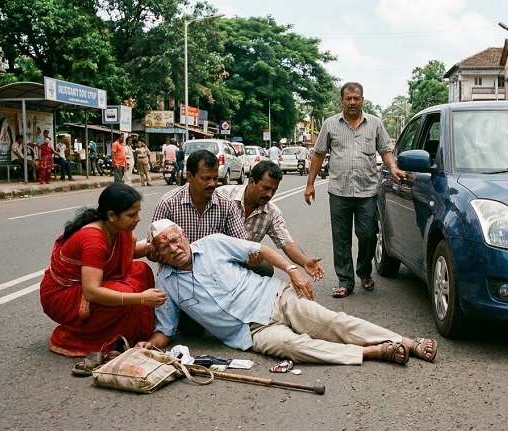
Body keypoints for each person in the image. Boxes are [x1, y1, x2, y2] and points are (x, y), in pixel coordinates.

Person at [138, 219, 438, 366]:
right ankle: (371, 352)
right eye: (165, 246)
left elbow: (261, 249)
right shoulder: (165, 283)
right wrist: (150, 345)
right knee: (295, 347)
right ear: (158, 254)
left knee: (330, 321)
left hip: (275, 299)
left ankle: (406, 342)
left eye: (175, 240)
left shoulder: (213, 243)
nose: (174, 248)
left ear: (184, 235)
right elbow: (166, 328)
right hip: (250, 333)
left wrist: (293, 270)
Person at [39, 183, 167, 357]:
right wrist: (141, 298)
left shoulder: (115, 228)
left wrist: (154, 247)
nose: (138, 218)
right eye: (131, 215)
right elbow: (92, 292)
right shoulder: (93, 240)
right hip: (62, 294)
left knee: (141, 270)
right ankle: (81, 337)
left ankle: (132, 332)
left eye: (138, 212)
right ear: (111, 215)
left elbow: (126, 251)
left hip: (88, 284)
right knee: (126, 293)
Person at [304, 82, 405, 298]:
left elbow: (385, 150)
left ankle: (364, 272)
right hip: (338, 191)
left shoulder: (375, 123)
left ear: (362, 100)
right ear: (342, 100)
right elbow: (318, 154)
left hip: (367, 192)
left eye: (356, 98)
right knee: (341, 238)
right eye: (348, 98)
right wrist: (310, 184)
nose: (352, 102)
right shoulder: (330, 124)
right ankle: (345, 281)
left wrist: (393, 167)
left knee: (368, 234)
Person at [150, 149, 249, 336]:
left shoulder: (226, 204)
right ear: (189, 176)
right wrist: (165, 254)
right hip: (180, 279)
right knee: (190, 330)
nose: (212, 184)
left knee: (262, 267)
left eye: (215, 178)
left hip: (216, 276)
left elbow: (240, 244)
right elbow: (153, 247)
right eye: (206, 178)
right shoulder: (168, 203)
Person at [217, 160, 324, 279]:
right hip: (215, 254)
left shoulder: (272, 212)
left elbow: (286, 242)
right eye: (265, 188)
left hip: (244, 259)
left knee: (265, 268)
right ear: (251, 182)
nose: (269, 194)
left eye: (274, 190)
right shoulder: (223, 195)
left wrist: (305, 262)